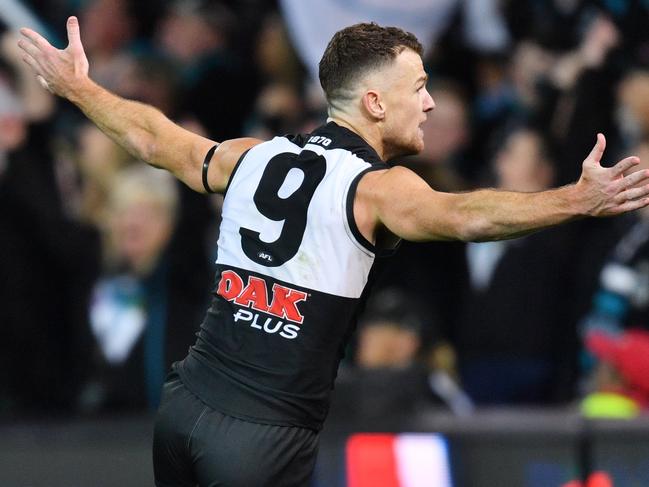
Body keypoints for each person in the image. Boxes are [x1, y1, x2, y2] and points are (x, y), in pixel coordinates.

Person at [18, 17, 649, 487]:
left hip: (182, 411)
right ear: (375, 103)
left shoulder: (251, 156)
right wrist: (573, 201)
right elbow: (463, 217)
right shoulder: (376, 189)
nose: (429, 102)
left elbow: (156, 140)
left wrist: (79, 89)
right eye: (419, 87)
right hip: (263, 440)